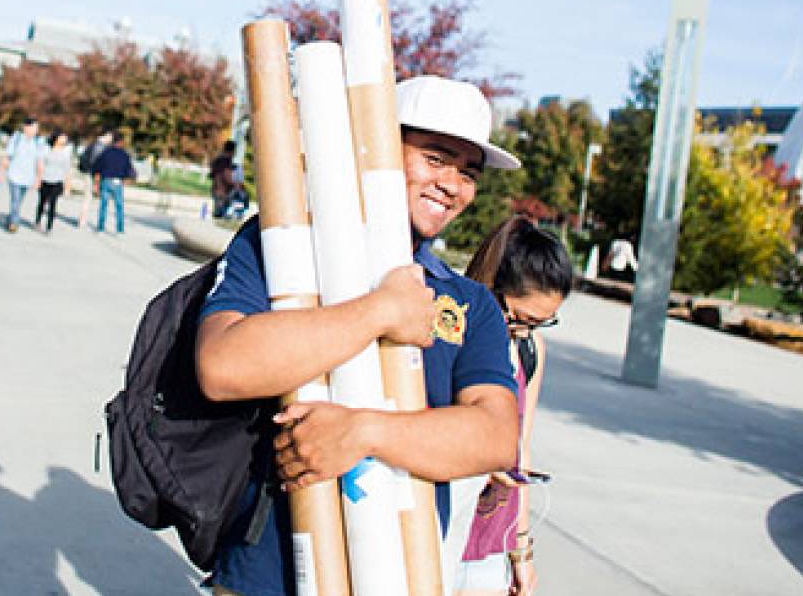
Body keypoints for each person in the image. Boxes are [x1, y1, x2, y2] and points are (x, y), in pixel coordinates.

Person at [195, 75, 524, 596]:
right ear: (377, 148)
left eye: (469, 173)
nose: (453, 185)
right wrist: (380, 312)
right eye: (436, 159)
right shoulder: (286, 247)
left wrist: (363, 431)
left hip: (402, 574)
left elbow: (495, 436)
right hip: (267, 573)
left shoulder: (467, 303)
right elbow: (223, 366)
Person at [453, 216, 574, 596]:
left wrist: (521, 550)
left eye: (540, 323)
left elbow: (520, 444)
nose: (524, 331)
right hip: (442, 524)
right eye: (520, 319)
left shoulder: (529, 350)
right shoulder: (449, 333)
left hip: (492, 535)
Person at [0, 118, 45, 232]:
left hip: (28, 177)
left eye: (36, 128)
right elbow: (7, 156)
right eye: (34, 127)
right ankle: (14, 223)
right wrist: (1, 173)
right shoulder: (17, 138)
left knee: (19, 201)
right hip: (14, 175)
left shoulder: (38, 142)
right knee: (15, 199)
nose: (35, 130)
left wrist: (39, 178)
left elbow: (39, 161)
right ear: (26, 127)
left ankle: (11, 218)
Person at [91, 133, 135, 234]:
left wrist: (96, 181)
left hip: (106, 180)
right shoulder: (125, 155)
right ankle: (119, 229)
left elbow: (97, 166)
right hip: (118, 182)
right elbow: (128, 169)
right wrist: (126, 179)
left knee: (103, 205)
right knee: (119, 206)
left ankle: (101, 227)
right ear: (121, 142)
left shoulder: (105, 152)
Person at [34, 133, 73, 233]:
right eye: (62, 138)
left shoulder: (66, 153)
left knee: (53, 204)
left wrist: (67, 187)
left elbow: (67, 171)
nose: (64, 140)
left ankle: (49, 227)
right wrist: (38, 179)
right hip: (45, 180)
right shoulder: (47, 150)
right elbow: (40, 165)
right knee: (42, 203)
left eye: (65, 138)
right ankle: (38, 221)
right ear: (56, 138)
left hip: (57, 182)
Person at [209, 140, 239, 217]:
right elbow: (226, 176)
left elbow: (213, 175)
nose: (234, 154)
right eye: (234, 151)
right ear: (231, 151)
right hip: (222, 192)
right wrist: (236, 185)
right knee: (220, 215)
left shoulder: (218, 160)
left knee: (218, 215)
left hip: (217, 190)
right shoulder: (224, 161)